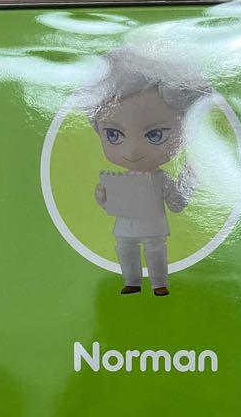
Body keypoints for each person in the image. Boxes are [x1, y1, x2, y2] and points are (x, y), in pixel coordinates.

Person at [83, 46, 210, 296]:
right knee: (125, 250)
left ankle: (159, 283)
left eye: (155, 135)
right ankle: (132, 281)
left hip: (154, 228)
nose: (132, 151)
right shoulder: (121, 180)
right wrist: (103, 197)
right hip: (125, 228)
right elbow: (112, 205)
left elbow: (176, 203)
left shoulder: (160, 179)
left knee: (155, 251)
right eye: (113, 135)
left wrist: (187, 181)